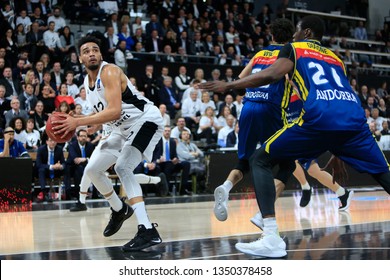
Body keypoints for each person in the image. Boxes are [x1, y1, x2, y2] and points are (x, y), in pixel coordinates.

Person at [199, 15, 390, 258]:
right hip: (354, 120)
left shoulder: (294, 48)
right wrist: (340, 151)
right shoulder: (336, 58)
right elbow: (338, 93)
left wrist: (229, 86)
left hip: (317, 118)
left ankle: (270, 237)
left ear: (307, 32)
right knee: (383, 174)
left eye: (297, 30)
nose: (294, 34)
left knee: (260, 159)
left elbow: (271, 75)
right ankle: (266, 218)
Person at [52, 36, 164, 252]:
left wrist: (78, 122)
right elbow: (104, 112)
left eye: (95, 50)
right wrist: (96, 126)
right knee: (93, 170)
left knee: (123, 167)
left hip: (145, 120)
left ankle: (148, 231)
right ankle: (119, 209)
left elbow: (114, 110)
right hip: (119, 129)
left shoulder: (109, 71)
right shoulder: (87, 82)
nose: (92, 53)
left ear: (101, 55)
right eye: (86, 51)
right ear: (80, 58)